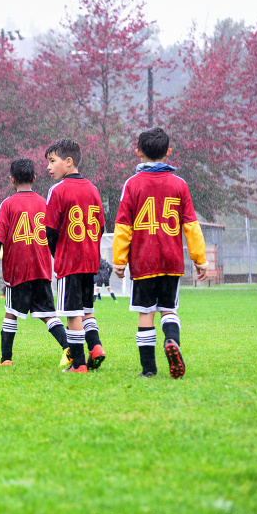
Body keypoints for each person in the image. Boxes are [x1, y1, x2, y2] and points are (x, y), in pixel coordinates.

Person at [112, 127, 208, 379]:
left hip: (143, 261)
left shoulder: (132, 184)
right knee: (168, 309)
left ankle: (148, 369)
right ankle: (171, 341)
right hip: (171, 260)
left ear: (138, 152)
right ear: (168, 152)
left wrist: (119, 261)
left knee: (146, 313)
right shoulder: (180, 184)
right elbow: (191, 226)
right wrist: (200, 259)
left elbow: (123, 225)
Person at [0, 158, 68, 366]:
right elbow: (53, 236)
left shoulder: (8, 204)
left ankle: (6, 359)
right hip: (41, 269)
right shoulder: (44, 203)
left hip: (18, 270)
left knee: (11, 313)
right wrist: (56, 259)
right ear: (34, 178)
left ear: (12, 180)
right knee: (48, 315)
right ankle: (69, 348)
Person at [44, 138, 106, 373]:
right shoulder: (93, 189)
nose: (48, 167)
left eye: (52, 161)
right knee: (86, 309)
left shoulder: (57, 190)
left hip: (70, 260)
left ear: (68, 162)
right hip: (90, 261)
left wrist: (56, 253)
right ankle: (96, 347)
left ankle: (79, 365)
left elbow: (50, 230)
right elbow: (100, 227)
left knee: (72, 314)